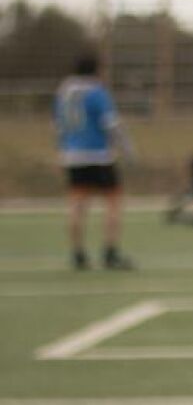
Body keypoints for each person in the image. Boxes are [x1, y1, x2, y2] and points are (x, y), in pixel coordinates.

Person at [53, 54, 135, 270]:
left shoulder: (63, 93)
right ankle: (110, 252)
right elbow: (111, 124)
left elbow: (59, 127)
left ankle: (78, 253)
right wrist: (127, 149)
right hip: (98, 155)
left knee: (76, 204)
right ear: (96, 70)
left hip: (72, 156)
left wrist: (62, 152)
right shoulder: (97, 92)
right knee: (113, 201)